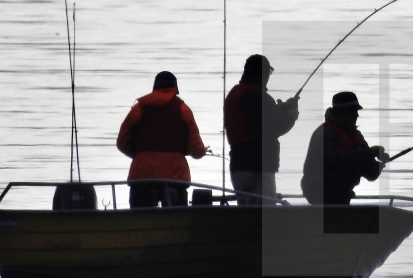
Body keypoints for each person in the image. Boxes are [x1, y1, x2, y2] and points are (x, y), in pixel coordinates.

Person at [117, 71, 207, 208]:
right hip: (175, 176)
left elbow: (122, 143)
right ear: (175, 89)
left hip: (142, 175)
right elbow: (196, 149)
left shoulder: (138, 109)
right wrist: (202, 151)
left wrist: (140, 155)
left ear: (154, 87)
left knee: (139, 220)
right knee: (177, 220)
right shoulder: (183, 110)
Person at [223, 54, 299, 205]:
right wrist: (291, 115)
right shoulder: (257, 96)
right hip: (258, 168)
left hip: (238, 166)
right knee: (263, 219)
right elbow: (275, 127)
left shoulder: (235, 93)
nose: (268, 77)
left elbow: (256, 122)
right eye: (268, 73)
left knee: (247, 216)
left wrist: (280, 109)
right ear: (261, 73)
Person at [301, 91, 389, 206]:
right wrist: (370, 153)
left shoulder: (356, 136)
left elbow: (370, 174)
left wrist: (380, 164)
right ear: (342, 113)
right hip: (319, 190)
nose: (357, 115)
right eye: (353, 111)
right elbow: (338, 159)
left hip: (342, 193)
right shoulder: (325, 133)